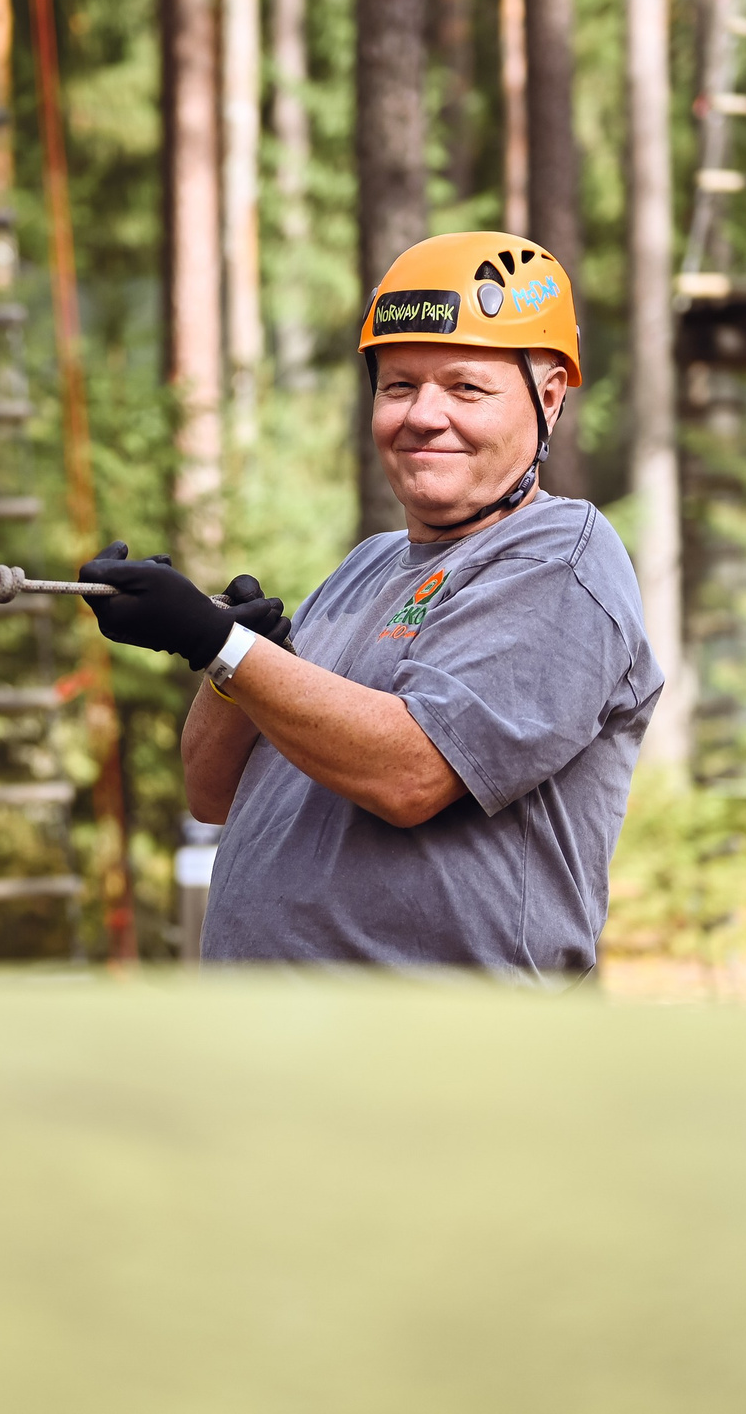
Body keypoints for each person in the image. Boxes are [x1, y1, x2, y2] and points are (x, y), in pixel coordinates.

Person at [81, 232, 660, 979]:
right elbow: (212, 792)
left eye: (465, 387)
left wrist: (216, 644)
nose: (422, 415)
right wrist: (232, 658)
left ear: (548, 397)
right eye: (397, 386)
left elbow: (411, 774)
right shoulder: (367, 567)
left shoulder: (561, 561)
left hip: (431, 1062)